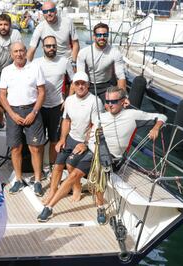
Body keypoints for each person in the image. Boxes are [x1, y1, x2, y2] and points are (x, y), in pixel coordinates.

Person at [37, 86, 167, 223]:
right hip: (94, 152)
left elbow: (162, 116)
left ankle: (100, 207)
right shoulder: (101, 117)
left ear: (123, 101)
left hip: (112, 158)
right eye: (107, 101)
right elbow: (91, 134)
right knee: (73, 173)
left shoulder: (133, 115)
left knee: (99, 177)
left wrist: (156, 127)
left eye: (114, 101)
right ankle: (50, 207)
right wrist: (85, 143)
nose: (110, 105)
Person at [42, 71, 103, 206]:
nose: (80, 86)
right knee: (57, 165)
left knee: (70, 165)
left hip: (86, 141)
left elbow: (95, 126)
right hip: (71, 138)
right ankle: (52, 191)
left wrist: (85, 144)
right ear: (73, 86)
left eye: (83, 84)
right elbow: (66, 121)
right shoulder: (69, 100)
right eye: (77, 84)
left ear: (88, 86)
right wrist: (62, 139)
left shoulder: (95, 101)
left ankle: (77, 188)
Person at [0, 41, 46, 197]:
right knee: (15, 148)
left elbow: (41, 92)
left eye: (21, 50)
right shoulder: (6, 71)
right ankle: (18, 179)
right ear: (11, 54)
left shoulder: (35, 67)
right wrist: (12, 114)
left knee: (35, 147)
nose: (19, 54)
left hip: (32, 110)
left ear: (26, 51)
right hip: (13, 112)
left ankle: (38, 180)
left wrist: (34, 112)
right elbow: (2, 95)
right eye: (16, 51)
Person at [32, 35, 74, 174]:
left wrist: (68, 100)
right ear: (43, 47)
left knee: (54, 141)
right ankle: (40, 169)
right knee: (38, 141)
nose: (51, 48)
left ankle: (51, 168)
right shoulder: (36, 63)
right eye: (48, 46)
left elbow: (73, 81)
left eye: (53, 46)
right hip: (39, 107)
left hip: (57, 107)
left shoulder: (64, 61)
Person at [0, 13, 22, 132]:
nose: (3, 27)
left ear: (10, 25)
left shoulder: (15, 34)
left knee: (14, 97)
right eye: (0, 24)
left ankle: (14, 120)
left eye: (6, 24)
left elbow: (20, 52)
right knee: (1, 98)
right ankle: (1, 121)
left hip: (14, 69)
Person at [76, 23, 126, 101]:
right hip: (89, 86)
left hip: (107, 86)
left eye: (104, 35)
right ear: (94, 36)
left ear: (108, 36)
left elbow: (120, 76)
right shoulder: (84, 53)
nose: (102, 37)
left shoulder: (115, 52)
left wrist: (123, 97)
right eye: (99, 35)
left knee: (112, 107)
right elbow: (80, 76)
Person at [27, 1, 79, 65]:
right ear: (43, 14)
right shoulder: (39, 28)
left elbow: (75, 44)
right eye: (45, 12)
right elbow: (31, 49)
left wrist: (74, 62)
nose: (49, 13)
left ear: (56, 11)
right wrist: (27, 68)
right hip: (49, 62)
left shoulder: (68, 22)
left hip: (68, 61)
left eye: (51, 10)